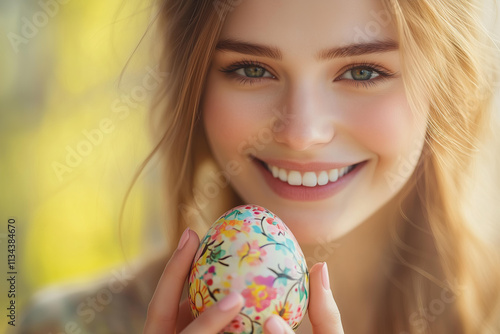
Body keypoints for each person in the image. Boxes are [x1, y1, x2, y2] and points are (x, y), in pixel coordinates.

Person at [16, 0, 500, 333]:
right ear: (196, 85)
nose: (301, 132)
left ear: (446, 81)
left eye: (362, 71)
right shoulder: (65, 325)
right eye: (252, 69)